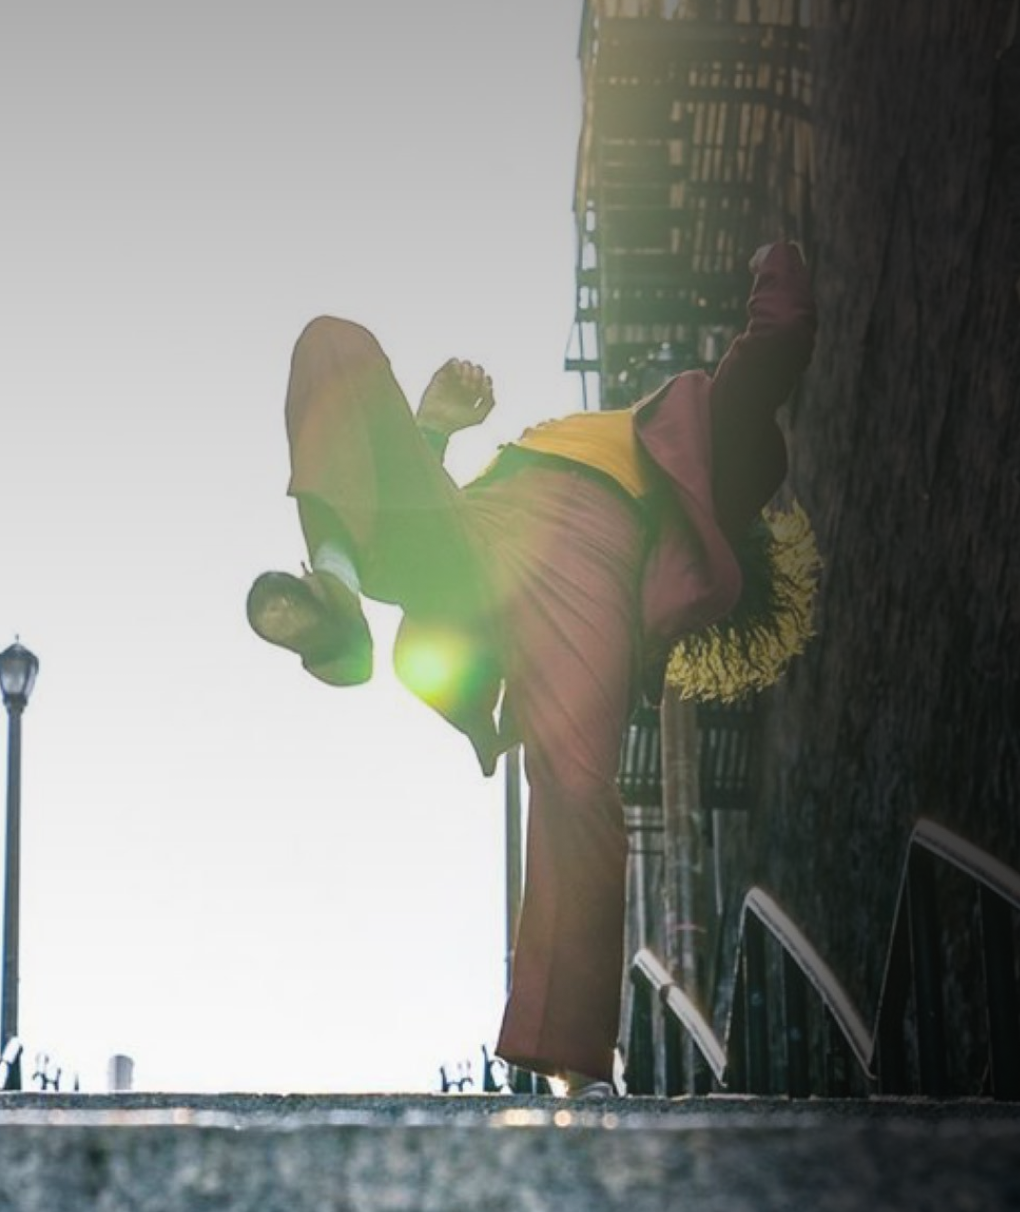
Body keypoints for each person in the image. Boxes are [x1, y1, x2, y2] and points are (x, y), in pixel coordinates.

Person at [248, 240, 818, 1095]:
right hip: (484, 529)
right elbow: (417, 513)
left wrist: (780, 259)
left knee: (578, 785)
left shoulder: (714, 451)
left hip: (589, 560)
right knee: (335, 347)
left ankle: (568, 1055)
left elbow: (774, 342)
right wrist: (433, 425)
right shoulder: (632, 431)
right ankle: (334, 587)